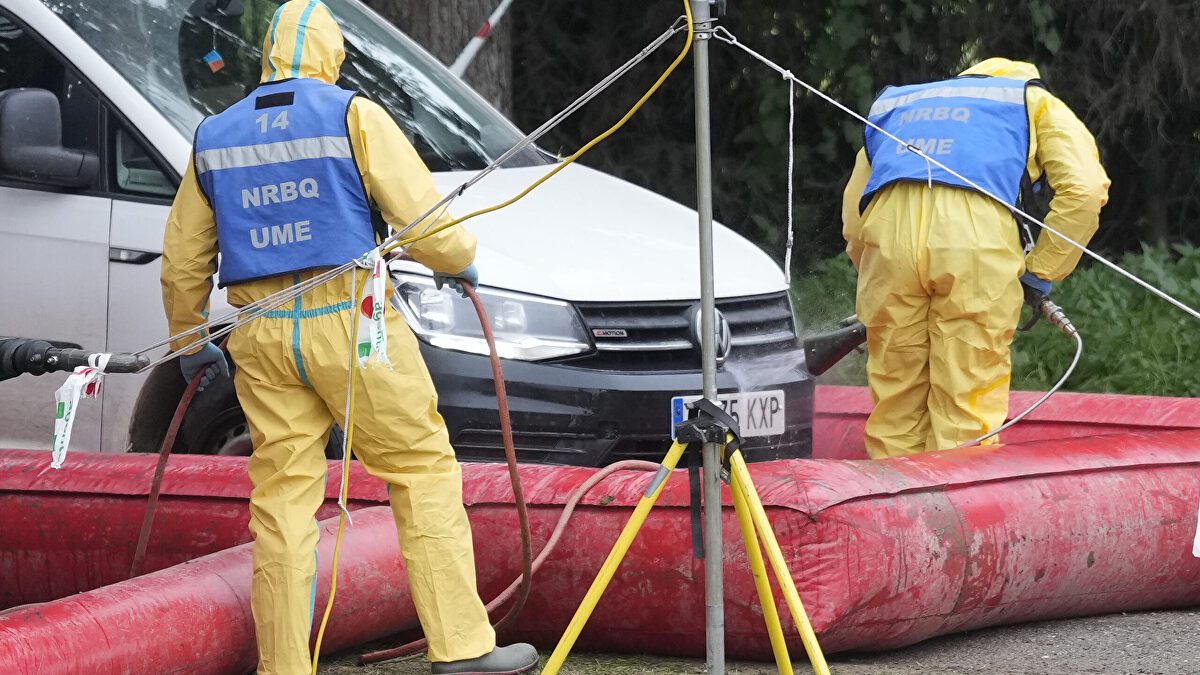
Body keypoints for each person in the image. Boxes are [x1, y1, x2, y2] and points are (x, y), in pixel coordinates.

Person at [160, 2, 537, 673]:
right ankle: (460, 648)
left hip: (263, 334)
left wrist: (191, 339)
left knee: (280, 502)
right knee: (420, 470)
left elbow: (184, 258)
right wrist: (458, 261)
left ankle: (284, 665)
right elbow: (423, 221)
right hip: (355, 328)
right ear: (332, 54)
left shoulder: (215, 135)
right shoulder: (350, 113)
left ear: (269, 55)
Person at [841, 57, 1110, 459]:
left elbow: (853, 218)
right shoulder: (1030, 99)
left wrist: (877, 277)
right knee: (966, 408)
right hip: (975, 246)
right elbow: (1085, 190)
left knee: (894, 409)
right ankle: (955, 518)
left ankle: (892, 515)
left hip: (888, 243)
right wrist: (1040, 273)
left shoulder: (899, 103)